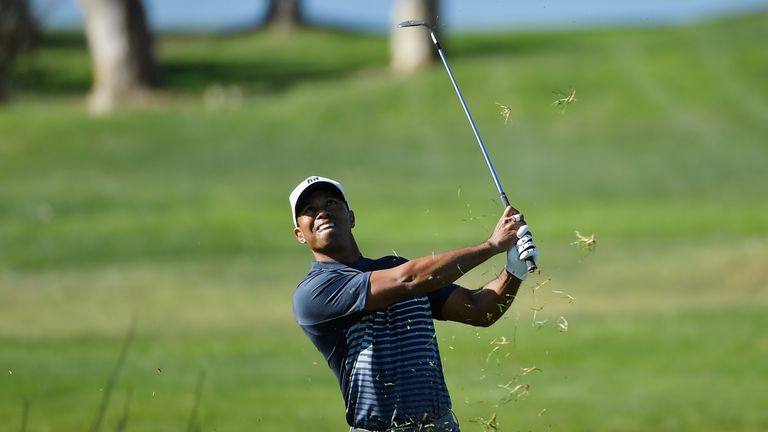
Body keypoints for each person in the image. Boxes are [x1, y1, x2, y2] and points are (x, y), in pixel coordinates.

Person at [289, 176, 538, 432]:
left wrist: (514, 271)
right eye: (310, 210)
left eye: (331, 203)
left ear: (351, 217)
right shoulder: (314, 292)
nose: (322, 212)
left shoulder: (393, 267)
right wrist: (491, 246)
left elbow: (478, 310)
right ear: (299, 234)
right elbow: (409, 279)